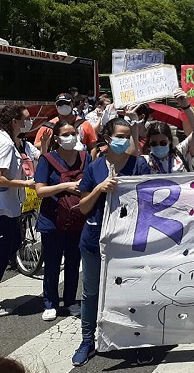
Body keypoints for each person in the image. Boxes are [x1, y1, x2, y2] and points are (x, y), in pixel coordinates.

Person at [72, 118, 151, 367]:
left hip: (128, 243)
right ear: (107, 137)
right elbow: (83, 208)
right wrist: (99, 189)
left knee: (131, 292)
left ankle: (137, 340)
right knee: (91, 292)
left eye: (127, 136)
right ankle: (87, 341)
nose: (123, 140)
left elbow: (150, 201)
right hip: (94, 240)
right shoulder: (94, 168)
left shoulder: (139, 165)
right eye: (119, 135)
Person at [34, 121, 90, 322]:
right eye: (66, 134)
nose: (71, 137)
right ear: (57, 139)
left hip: (77, 218)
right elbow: (40, 190)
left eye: (74, 133)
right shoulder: (47, 160)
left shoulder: (85, 158)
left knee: (74, 262)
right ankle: (50, 303)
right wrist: (66, 186)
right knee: (52, 263)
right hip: (53, 219)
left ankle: (70, 301)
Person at [0, 106, 36, 317]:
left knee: (13, 245)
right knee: (4, 252)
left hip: (9, 206)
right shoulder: (4, 144)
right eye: (26, 119)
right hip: (3, 208)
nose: (28, 123)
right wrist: (26, 184)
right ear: (14, 121)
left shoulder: (10, 141)